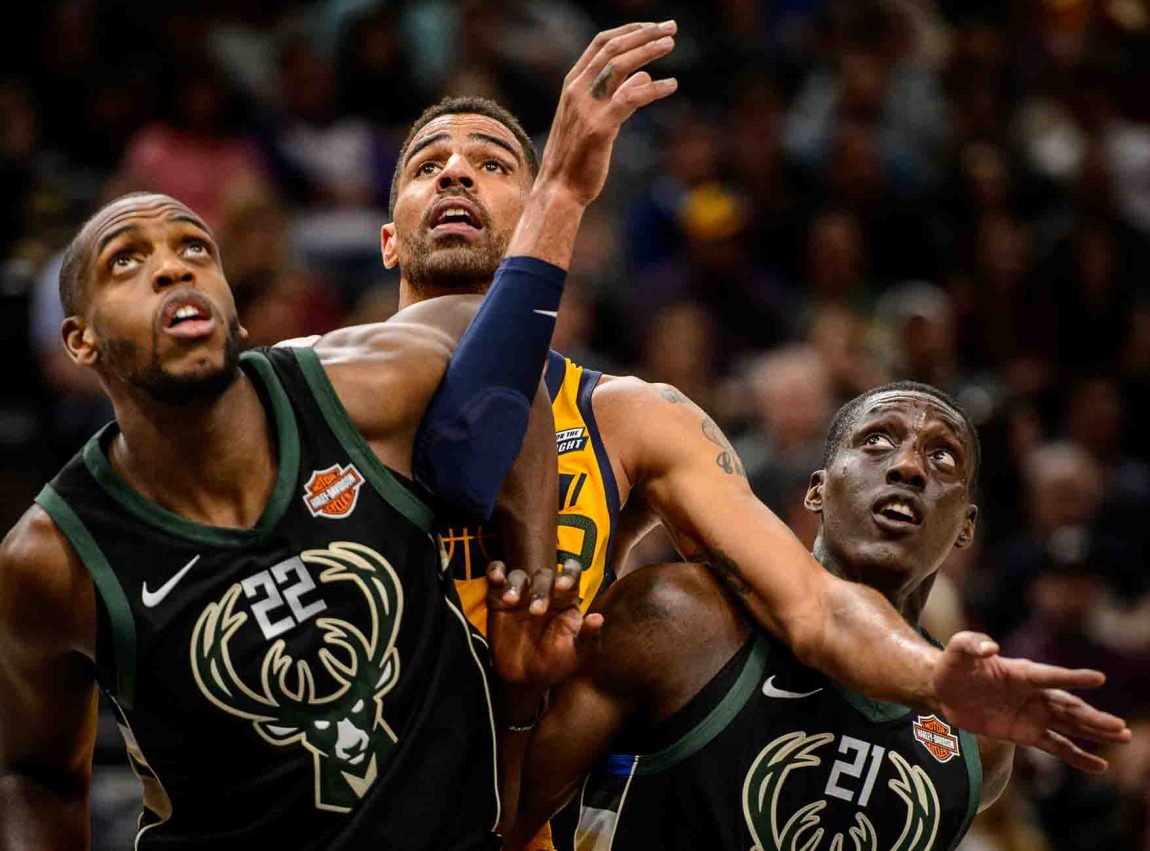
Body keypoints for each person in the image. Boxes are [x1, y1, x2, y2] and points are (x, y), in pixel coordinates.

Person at [0, 22, 679, 849]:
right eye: (126, 261)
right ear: (80, 341)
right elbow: (32, 771)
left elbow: (496, 356)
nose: (172, 266)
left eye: (194, 248)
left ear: (235, 308)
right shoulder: (50, 553)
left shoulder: (354, 385)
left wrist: (531, 551)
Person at [380, 25, 1128, 774]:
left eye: (492, 162)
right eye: (428, 165)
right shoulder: (313, 382)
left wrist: (930, 674)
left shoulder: (634, 416)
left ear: (530, 214)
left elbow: (809, 599)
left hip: (508, 790)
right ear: (387, 240)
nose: (455, 174)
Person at [504, 382, 1131, 850]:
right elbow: (506, 818)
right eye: (877, 441)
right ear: (817, 489)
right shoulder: (678, 615)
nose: (909, 466)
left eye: (943, 460)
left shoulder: (978, 739)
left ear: (966, 527)